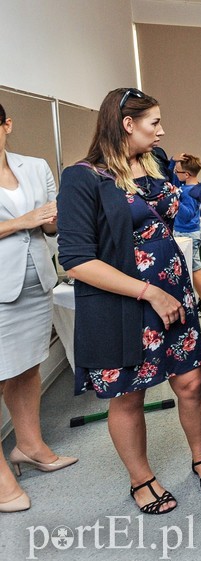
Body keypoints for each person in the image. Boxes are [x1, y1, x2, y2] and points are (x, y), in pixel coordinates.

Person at [57, 88, 201, 516]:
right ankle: (141, 478)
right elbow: (76, 259)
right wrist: (148, 291)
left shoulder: (154, 166)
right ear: (127, 124)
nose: (162, 130)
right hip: (124, 303)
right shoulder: (84, 177)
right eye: (154, 123)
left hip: (175, 294)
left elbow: (200, 203)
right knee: (129, 396)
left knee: (191, 384)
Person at [0, 103, 77, 513]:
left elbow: (49, 223)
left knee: (27, 368)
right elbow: (29, 219)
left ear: (7, 125)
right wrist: (22, 220)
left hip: (34, 283)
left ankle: (28, 446)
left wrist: (54, 218)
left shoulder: (34, 166)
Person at [172, 153, 201, 317]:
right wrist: (173, 161)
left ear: (187, 174)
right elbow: (174, 180)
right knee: (195, 268)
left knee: (195, 270)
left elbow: (187, 214)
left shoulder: (189, 193)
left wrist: (175, 201)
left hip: (187, 234)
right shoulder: (191, 188)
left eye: (178, 172)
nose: (176, 175)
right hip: (189, 233)